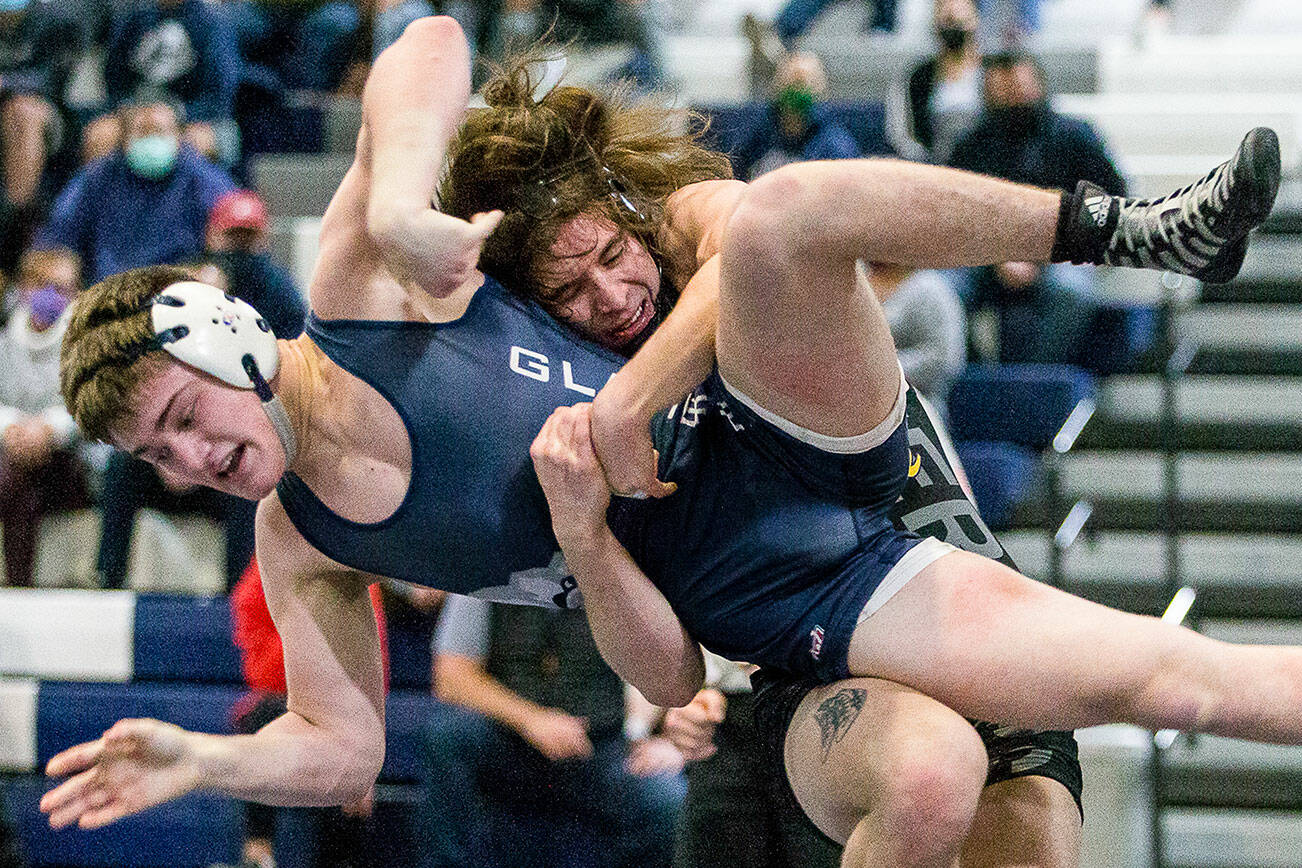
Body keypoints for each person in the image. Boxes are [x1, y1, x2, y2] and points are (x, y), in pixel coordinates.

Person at [43, 18, 1290, 866]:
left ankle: (1129, 231)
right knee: (1088, 716)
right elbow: (346, 746)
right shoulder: (300, 540)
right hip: (803, 599)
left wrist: (394, 203)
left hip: (812, 445)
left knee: (786, 209)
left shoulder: (371, 289)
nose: (187, 461)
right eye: (154, 458)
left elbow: (426, 43)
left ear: (221, 341)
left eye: (180, 418)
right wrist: (202, 755)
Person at [417, 593, 684, 868]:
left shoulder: (621, 570)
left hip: (600, 744)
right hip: (509, 739)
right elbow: (450, 677)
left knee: (663, 797)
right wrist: (531, 720)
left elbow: (669, 669)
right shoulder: (489, 565)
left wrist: (662, 738)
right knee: (447, 735)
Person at [948, 49, 1128, 364]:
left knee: (1071, 291)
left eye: (1019, 88)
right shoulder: (971, 144)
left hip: (1062, 256)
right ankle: (973, 375)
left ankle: (1031, 381)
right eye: (1002, 92)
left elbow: (1112, 202)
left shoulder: (1075, 137)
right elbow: (953, 215)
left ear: (1039, 85)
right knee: (940, 291)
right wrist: (997, 259)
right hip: (986, 260)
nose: (1013, 98)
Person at [230, 556, 388, 868]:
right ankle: (257, 854)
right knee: (263, 720)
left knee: (348, 752)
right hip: (281, 701)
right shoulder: (269, 563)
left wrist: (367, 757)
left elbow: (372, 667)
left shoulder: (351, 566)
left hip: (341, 710)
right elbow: (262, 671)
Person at [0, 249, 89, 587]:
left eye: (64, 289)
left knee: (18, 474)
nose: (52, 297)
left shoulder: (84, 344)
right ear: (25, 286)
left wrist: (49, 430)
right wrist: (11, 427)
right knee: (17, 476)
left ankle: (18, 592)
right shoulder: (5, 341)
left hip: (66, 462)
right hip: (10, 452)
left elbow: (86, 408)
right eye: (45, 285)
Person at [83, 0, 241, 165]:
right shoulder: (134, 16)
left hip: (192, 119)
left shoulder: (213, 21)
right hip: (137, 114)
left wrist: (175, 116)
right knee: (100, 135)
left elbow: (219, 97)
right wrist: (130, 112)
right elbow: (114, 81)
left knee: (199, 142)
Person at [731, 52, 862, 182]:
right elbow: (736, 173)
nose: (795, 91)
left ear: (819, 91)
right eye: (788, 83)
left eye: (802, 84)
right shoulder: (759, 136)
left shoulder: (836, 147)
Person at [885, 0, 982, 165]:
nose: (954, 28)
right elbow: (901, 135)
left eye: (959, 21)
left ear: (975, 20)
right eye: (948, 20)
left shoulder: (991, 72)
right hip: (934, 169)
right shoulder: (915, 78)